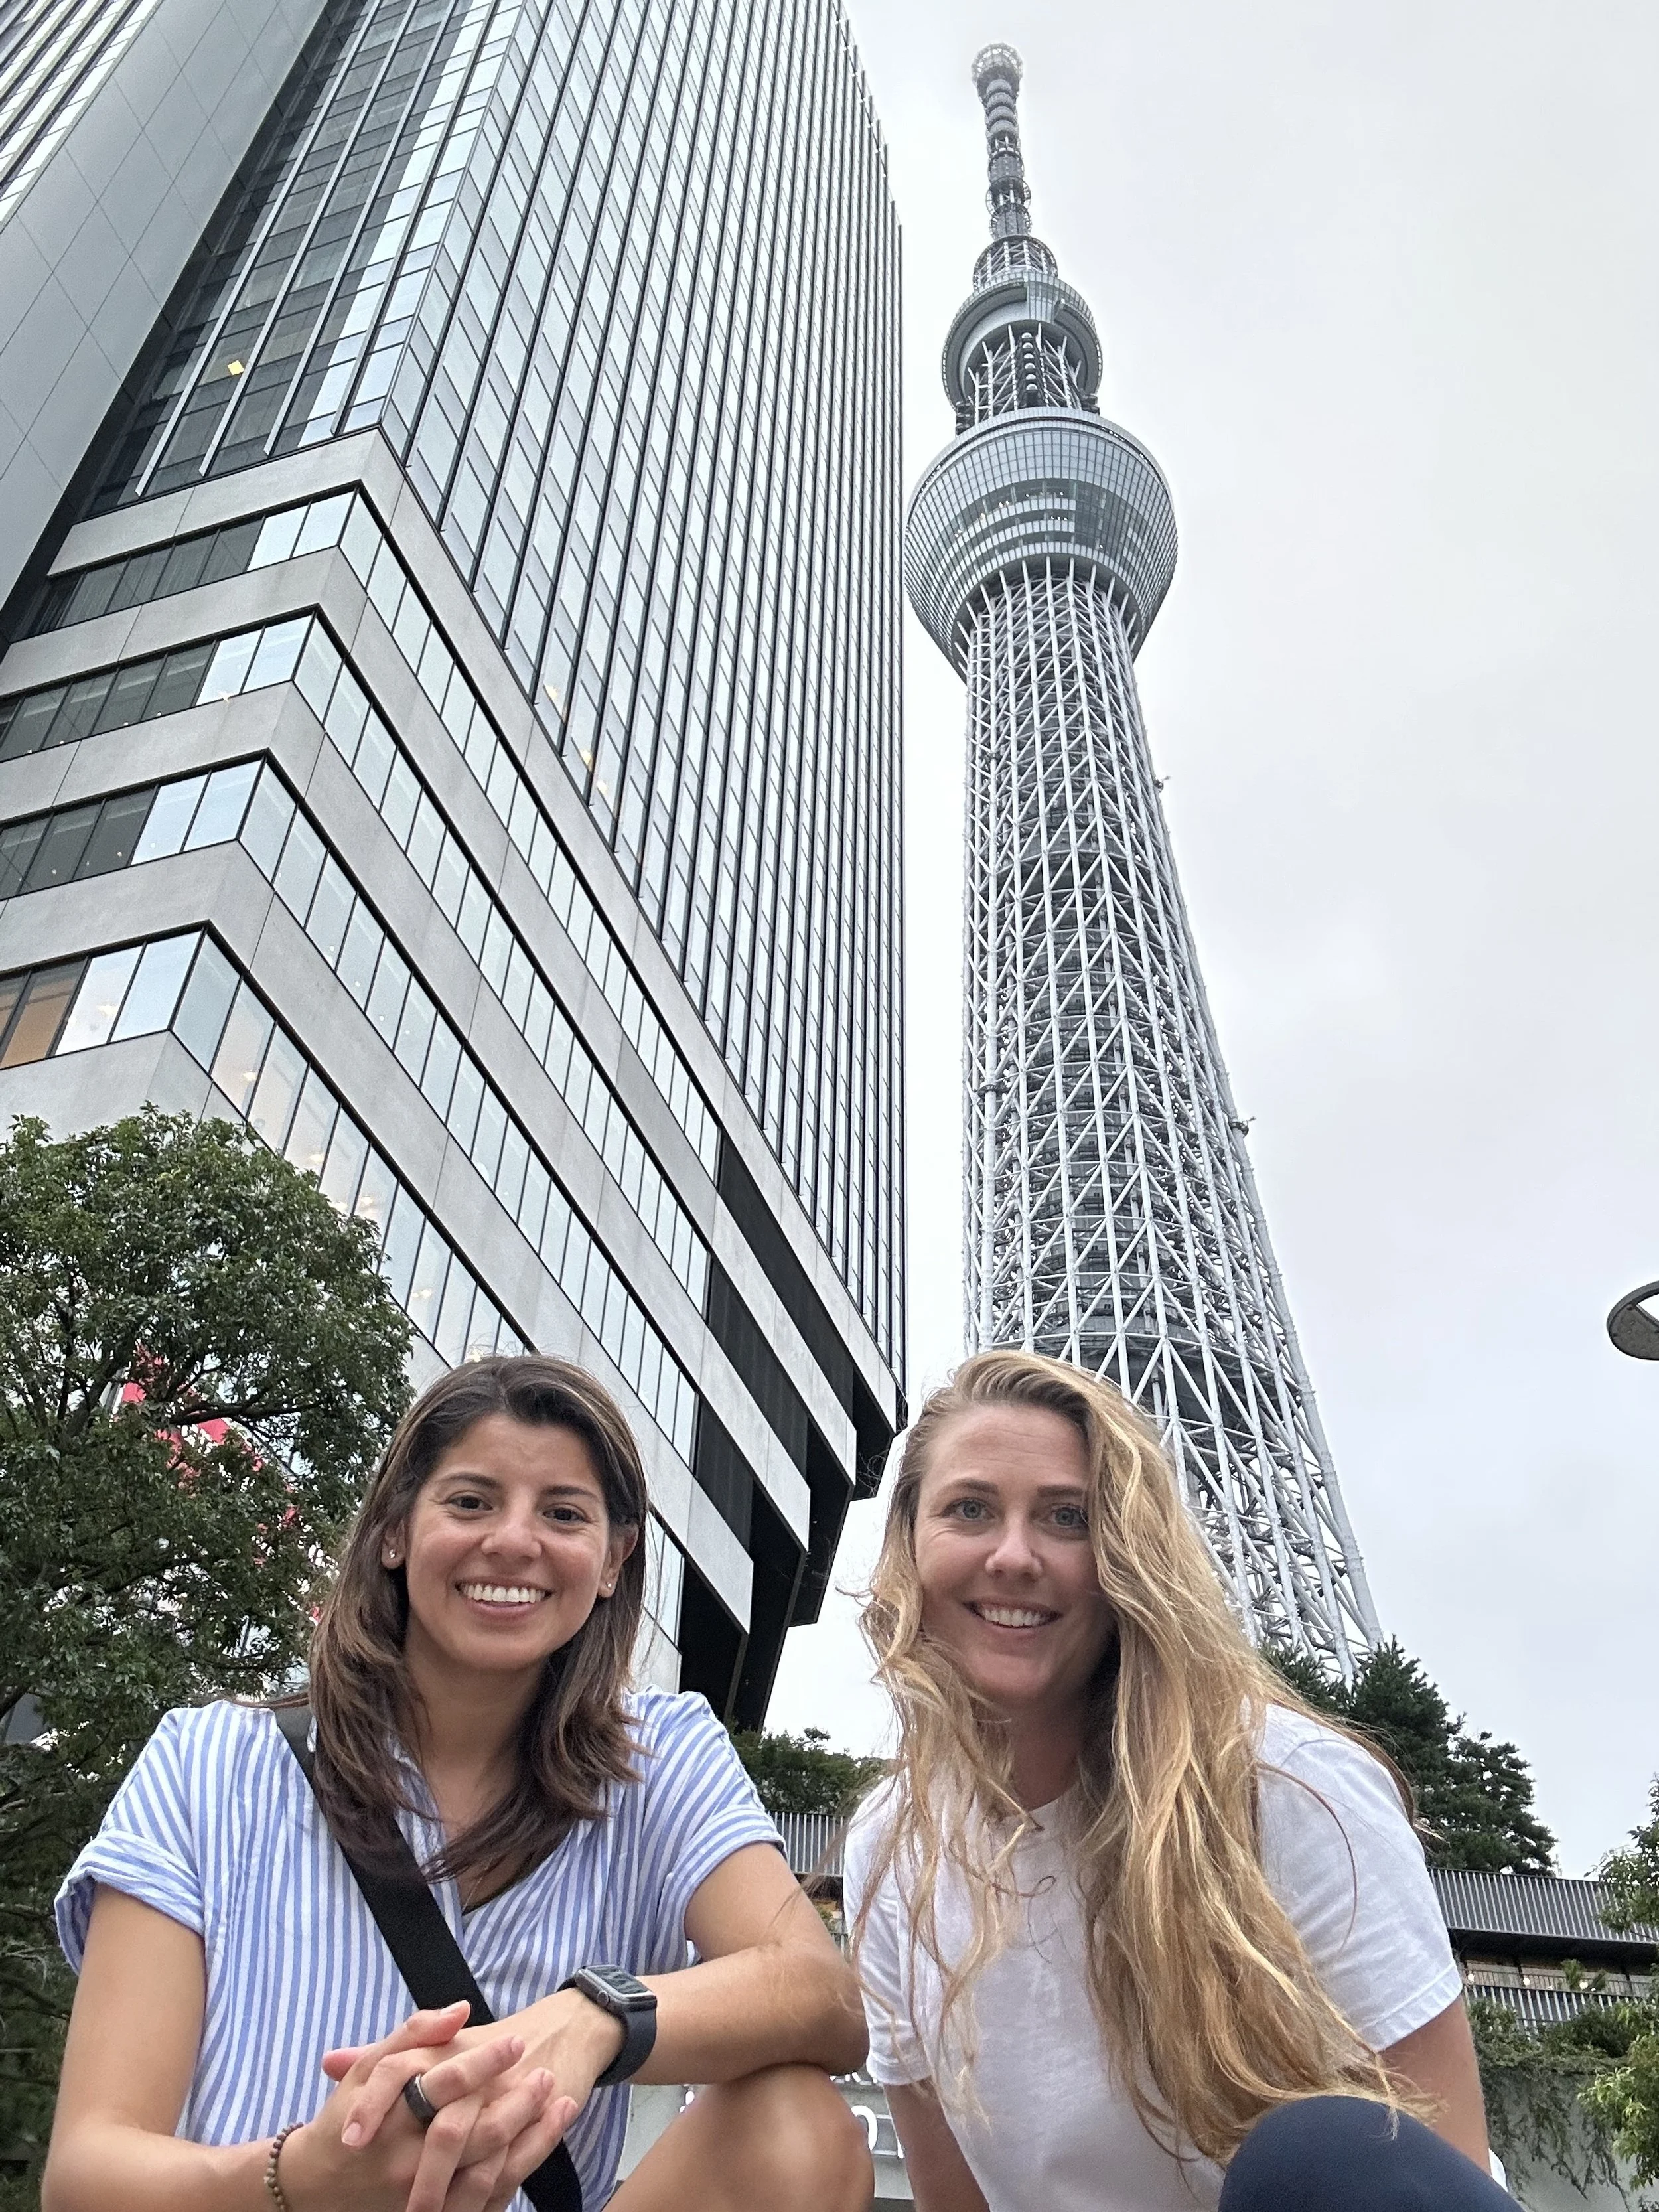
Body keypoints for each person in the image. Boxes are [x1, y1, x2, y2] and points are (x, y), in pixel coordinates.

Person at [45, 1353, 871, 2212]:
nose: (514, 1541)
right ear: (395, 1530)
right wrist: (305, 2174)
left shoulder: (663, 1758)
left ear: (613, 1560)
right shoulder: (208, 1763)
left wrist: (597, 2017)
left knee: (796, 2124)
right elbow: (88, 2173)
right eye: (471, 1501)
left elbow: (822, 1996)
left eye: (563, 1513)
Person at [844, 1348, 1514, 2212]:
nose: (1013, 1556)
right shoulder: (896, 1847)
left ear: (1128, 1555)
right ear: (908, 1541)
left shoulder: (1289, 1791)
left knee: (1318, 2151)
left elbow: (1427, 2162)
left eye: (1068, 1518)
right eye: (970, 1509)